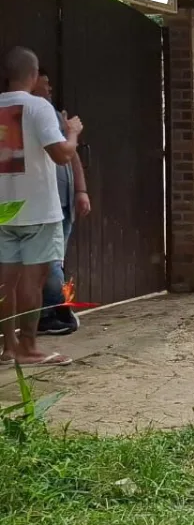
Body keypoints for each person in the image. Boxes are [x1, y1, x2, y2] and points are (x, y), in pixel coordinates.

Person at [0, 47, 82, 367]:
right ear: (33, 76)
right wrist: (72, 133)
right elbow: (61, 154)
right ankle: (30, 347)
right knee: (32, 283)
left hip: (4, 209)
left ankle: (8, 348)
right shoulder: (39, 107)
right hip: (36, 209)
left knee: (6, 282)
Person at [31, 69, 90, 336]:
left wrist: (81, 190)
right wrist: (72, 132)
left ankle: (49, 313)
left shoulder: (54, 115)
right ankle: (56, 310)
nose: (50, 89)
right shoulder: (30, 114)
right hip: (43, 201)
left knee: (57, 258)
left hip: (63, 199)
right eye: (44, 85)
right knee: (51, 259)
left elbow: (72, 155)